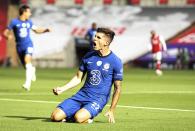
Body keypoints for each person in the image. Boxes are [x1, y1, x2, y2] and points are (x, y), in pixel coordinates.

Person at [51, 28, 123, 124]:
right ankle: (78, 114)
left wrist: (111, 110)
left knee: (79, 118)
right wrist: (63, 88)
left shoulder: (116, 61)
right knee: (55, 117)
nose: (94, 39)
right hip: (81, 95)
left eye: (98, 38)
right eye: (95, 36)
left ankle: (84, 117)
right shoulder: (88, 56)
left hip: (98, 99)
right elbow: (78, 78)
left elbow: (118, 88)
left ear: (106, 42)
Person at [3, 5, 51, 91]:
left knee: (27, 60)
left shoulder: (29, 22)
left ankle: (27, 84)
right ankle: (32, 69)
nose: (30, 13)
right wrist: (8, 36)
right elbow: (5, 32)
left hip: (28, 45)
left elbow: (36, 30)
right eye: (29, 12)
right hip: (19, 46)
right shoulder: (14, 22)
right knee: (26, 66)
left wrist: (45, 30)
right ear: (24, 12)